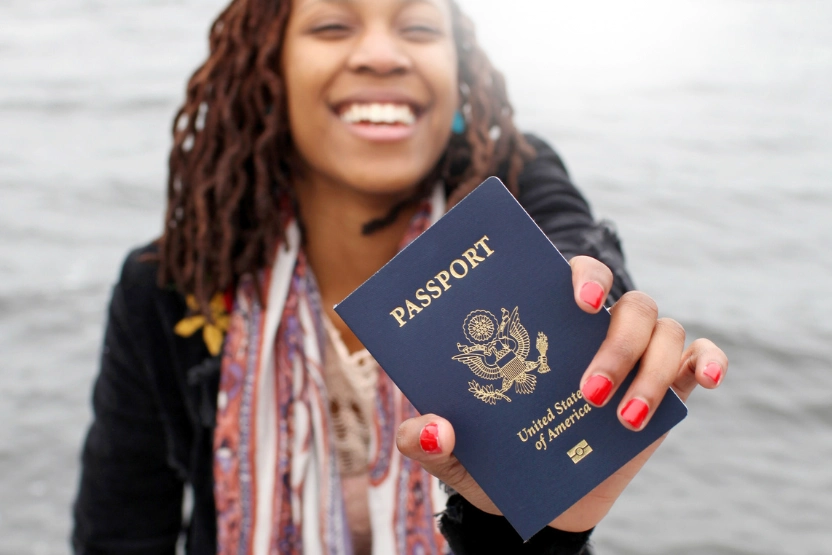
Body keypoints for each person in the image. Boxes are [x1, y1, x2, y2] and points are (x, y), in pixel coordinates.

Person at [72, 0, 728, 553]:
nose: (382, 54)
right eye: (332, 26)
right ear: (269, 72)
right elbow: (118, 535)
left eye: (418, 27)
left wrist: (596, 311)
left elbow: (579, 245)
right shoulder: (170, 284)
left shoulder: (521, 192)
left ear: (458, 75)